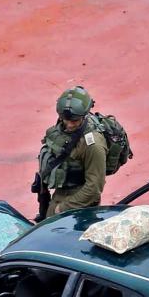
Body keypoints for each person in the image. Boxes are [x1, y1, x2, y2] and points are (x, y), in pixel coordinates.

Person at [36, 86, 108, 219]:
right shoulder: (62, 129)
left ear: (84, 115)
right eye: (66, 119)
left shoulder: (93, 144)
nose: (69, 125)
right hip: (59, 197)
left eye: (74, 121)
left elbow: (94, 188)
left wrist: (62, 208)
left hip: (78, 209)